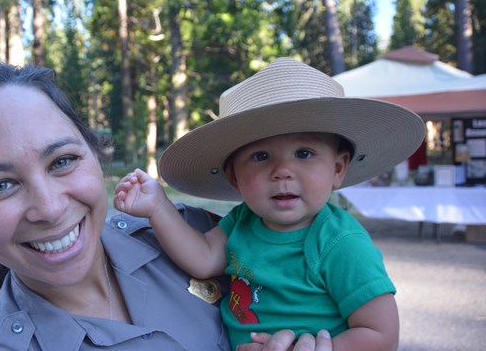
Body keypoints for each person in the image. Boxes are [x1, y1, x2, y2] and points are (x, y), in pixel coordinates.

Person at [0, 61, 332, 351]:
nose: (48, 208)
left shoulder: (187, 232)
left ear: (95, 155)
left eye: (62, 161)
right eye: (1, 185)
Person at [114, 57, 426, 351]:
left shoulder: (340, 243)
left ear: (338, 168)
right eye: (261, 156)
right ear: (234, 177)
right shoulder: (242, 221)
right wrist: (158, 207)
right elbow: (203, 258)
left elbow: (382, 334)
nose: (282, 171)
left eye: (304, 153)